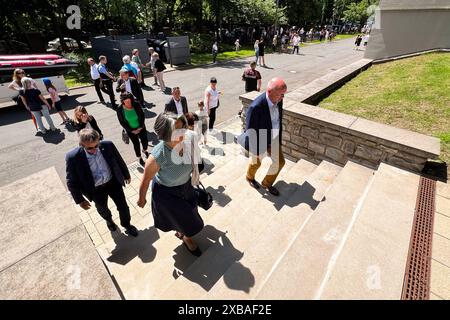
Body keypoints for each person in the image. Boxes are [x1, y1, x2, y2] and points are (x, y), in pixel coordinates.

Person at [137, 112, 203, 256]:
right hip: (167, 194)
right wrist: (142, 198)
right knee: (187, 221)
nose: (183, 132)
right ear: (164, 134)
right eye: (176, 130)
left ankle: (184, 234)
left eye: (183, 127)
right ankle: (187, 238)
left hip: (186, 187)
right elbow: (146, 180)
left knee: (189, 215)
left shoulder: (188, 140)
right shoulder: (158, 156)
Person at [65, 128, 138, 237]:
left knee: (123, 207)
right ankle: (109, 221)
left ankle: (126, 224)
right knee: (103, 209)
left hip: (113, 183)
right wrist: (79, 200)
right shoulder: (73, 157)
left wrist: (126, 174)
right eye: (90, 148)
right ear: (81, 144)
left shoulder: (108, 145)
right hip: (95, 189)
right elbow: (71, 181)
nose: (94, 150)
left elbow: (119, 160)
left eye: (96, 146)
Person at [242, 77, 287, 196]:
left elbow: (277, 119)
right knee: (256, 163)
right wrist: (256, 150)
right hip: (260, 139)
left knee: (280, 162)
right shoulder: (255, 107)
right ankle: (249, 177)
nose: (283, 98)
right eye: (280, 95)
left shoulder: (279, 99)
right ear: (269, 92)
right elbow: (250, 131)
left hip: (273, 138)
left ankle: (267, 183)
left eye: (283, 95)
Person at [116, 93, 149, 167]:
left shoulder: (136, 104)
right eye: (126, 102)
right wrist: (131, 130)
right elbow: (122, 122)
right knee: (136, 144)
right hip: (131, 130)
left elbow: (142, 115)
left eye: (130, 101)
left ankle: (144, 150)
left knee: (145, 141)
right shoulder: (120, 109)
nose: (129, 103)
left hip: (141, 127)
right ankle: (139, 157)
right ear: (122, 101)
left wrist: (140, 126)